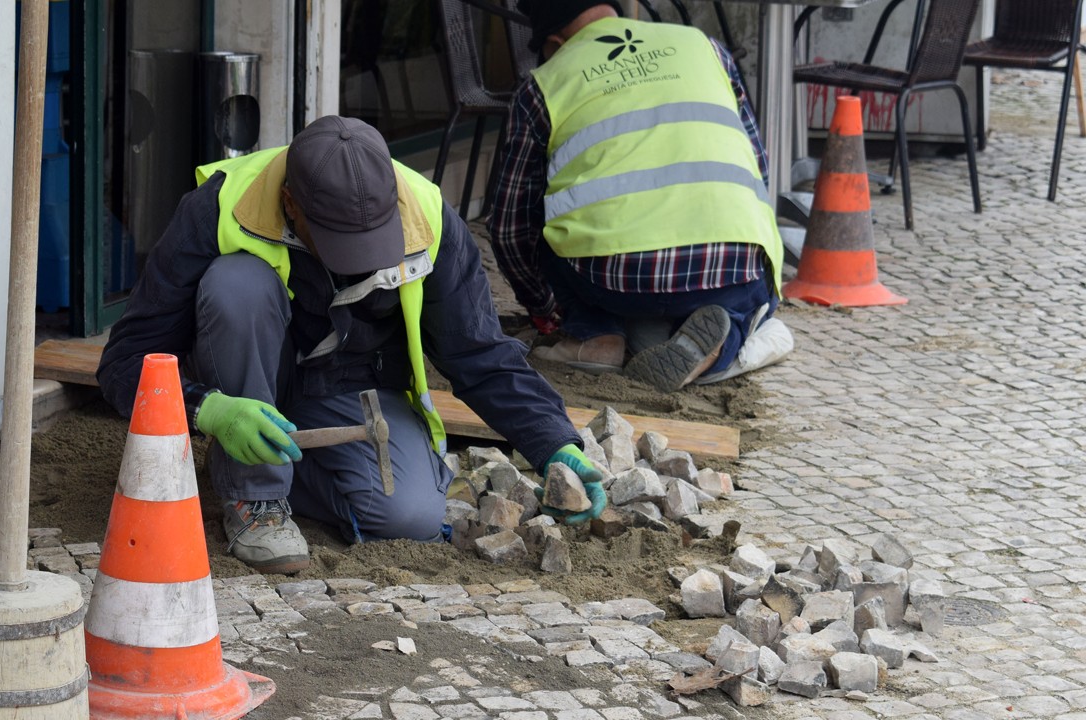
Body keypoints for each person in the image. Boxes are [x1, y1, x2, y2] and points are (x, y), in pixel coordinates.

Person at [97, 116, 606, 575]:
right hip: (247, 380)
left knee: (406, 516)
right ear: (291, 203)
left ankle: (251, 462)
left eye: (373, 242)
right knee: (237, 286)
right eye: (341, 242)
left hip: (349, 386)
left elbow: (479, 352)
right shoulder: (219, 207)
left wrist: (554, 442)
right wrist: (206, 409)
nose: (360, 261)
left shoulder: (426, 215)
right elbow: (123, 362)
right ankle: (255, 496)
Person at [488, 0, 794, 392]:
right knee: (747, 296)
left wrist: (547, 310)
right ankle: (723, 341)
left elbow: (511, 227)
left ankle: (593, 335)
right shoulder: (706, 47)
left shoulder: (542, 84)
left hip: (612, 277)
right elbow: (758, 165)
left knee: (545, 223)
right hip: (730, 264)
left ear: (553, 41)